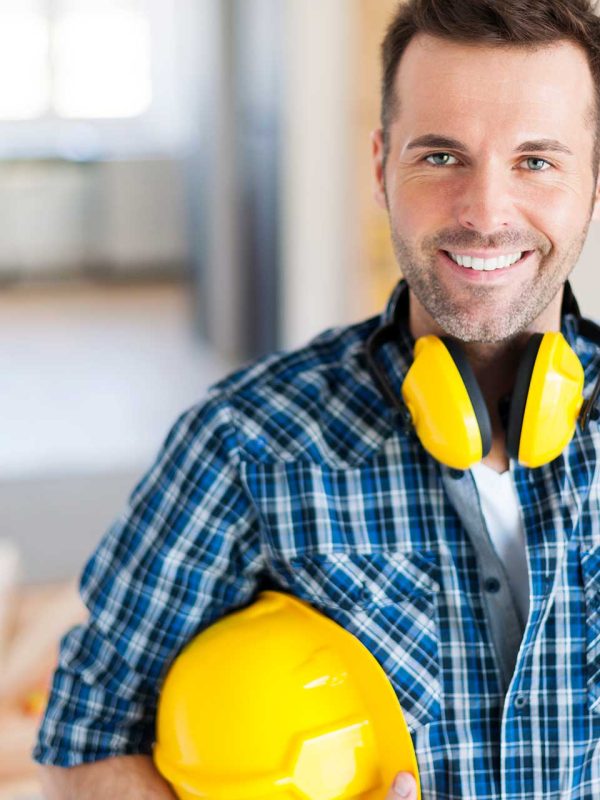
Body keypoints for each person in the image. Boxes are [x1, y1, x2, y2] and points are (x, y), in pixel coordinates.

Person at [36, 0, 600, 798]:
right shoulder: (244, 442)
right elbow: (81, 753)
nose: (485, 213)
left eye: (536, 161)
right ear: (380, 167)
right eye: (441, 156)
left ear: (594, 178)